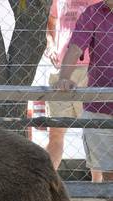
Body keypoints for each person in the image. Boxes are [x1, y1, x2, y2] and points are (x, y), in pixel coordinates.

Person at [53, 0, 113, 183]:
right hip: (101, 106)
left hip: (101, 103)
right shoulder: (93, 12)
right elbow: (76, 47)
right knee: (110, 175)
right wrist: (64, 77)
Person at [45, 0, 101, 172]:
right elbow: (50, 22)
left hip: (95, 69)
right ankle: (47, 182)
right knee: (56, 132)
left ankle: (97, 188)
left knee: (95, 133)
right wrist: (51, 45)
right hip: (62, 70)